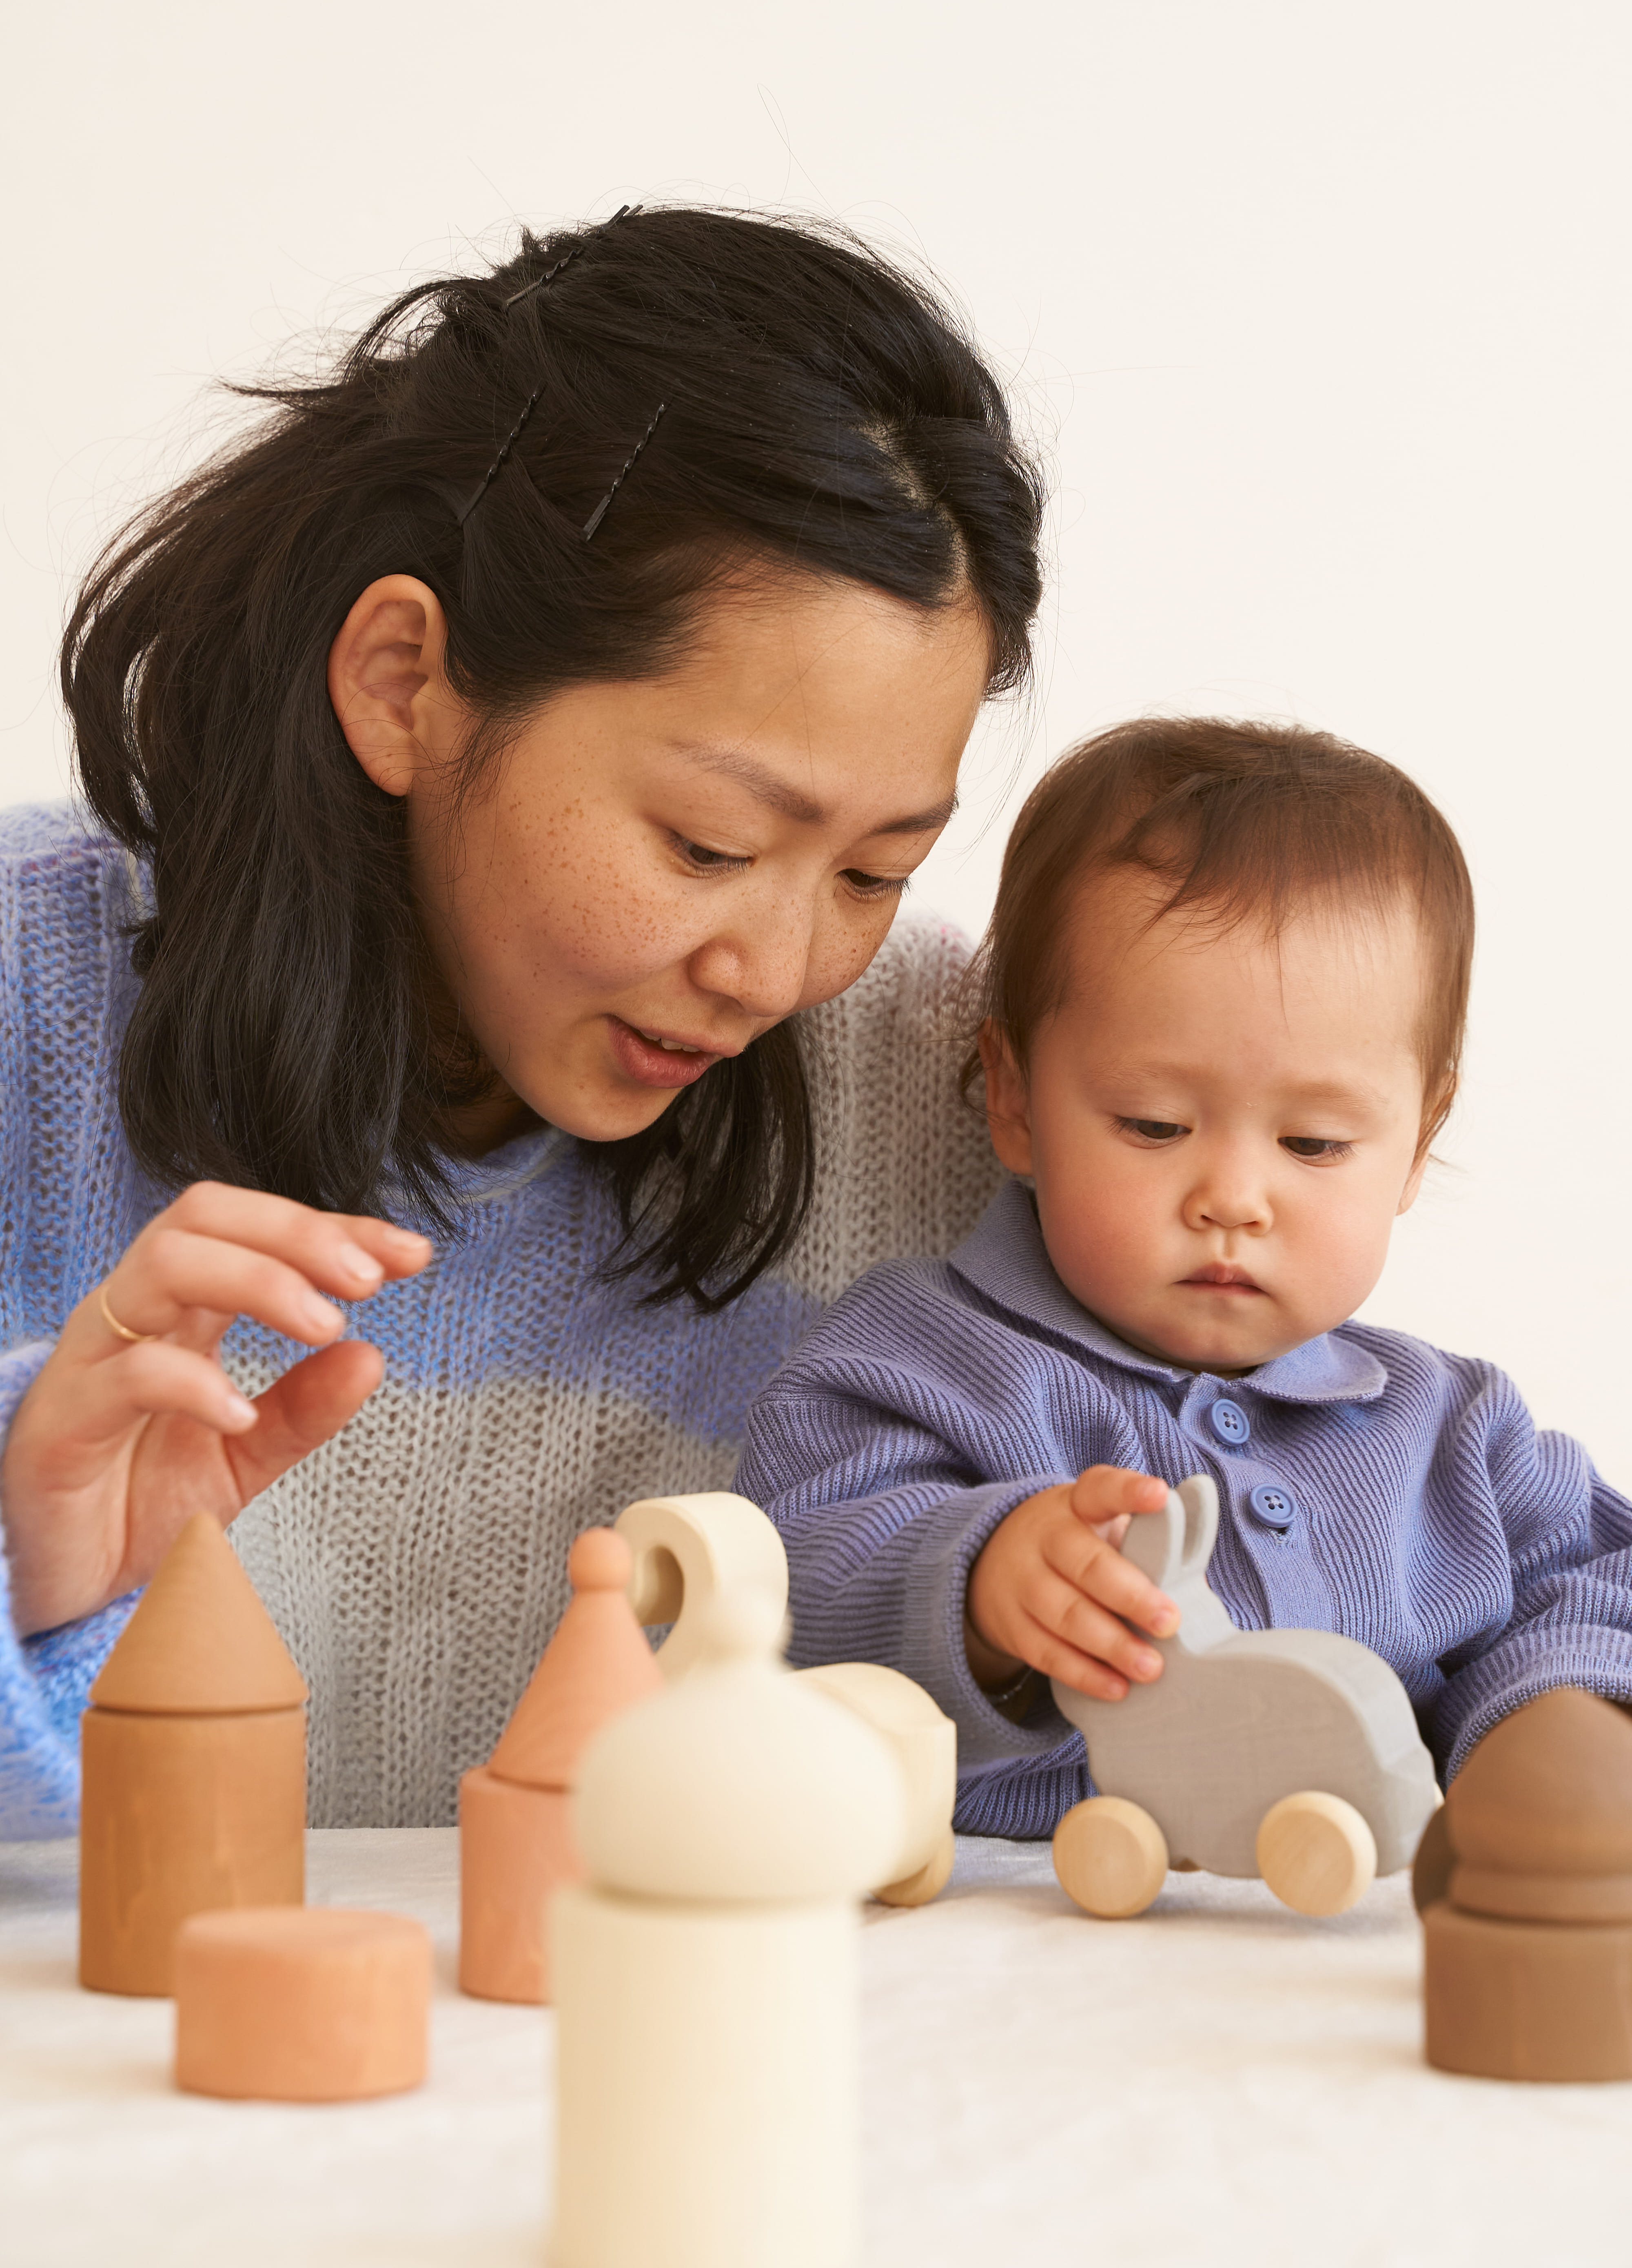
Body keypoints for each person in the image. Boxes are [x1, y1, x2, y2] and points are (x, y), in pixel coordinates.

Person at [0, 204, 1046, 1835]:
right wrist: (30, 1572)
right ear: (406, 684)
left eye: (873, 870)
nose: (774, 974)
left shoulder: (962, 1096)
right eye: (708, 847)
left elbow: (1384, 1522)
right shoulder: (23, 1004)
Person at [739, 718, 1632, 1837]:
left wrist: (1547, 1717)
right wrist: (977, 1586)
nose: (1233, 1198)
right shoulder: (913, 1366)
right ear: (1013, 1099)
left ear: (1417, 1137)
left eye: (1313, 1145)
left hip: (1358, 1960)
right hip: (1019, 1956)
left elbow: (1606, 1584)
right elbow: (761, 1603)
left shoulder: (1456, 1434)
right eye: (1156, 1125)